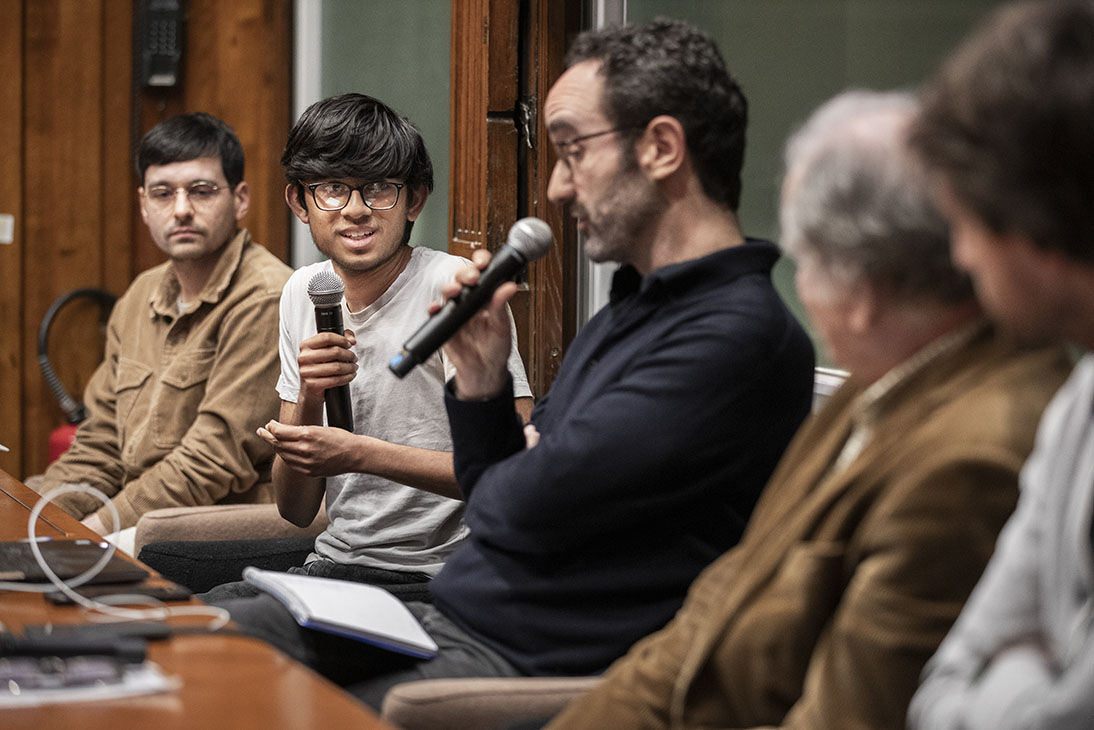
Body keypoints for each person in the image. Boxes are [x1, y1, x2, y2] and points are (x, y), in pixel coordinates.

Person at [216, 17, 815, 708]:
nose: (558, 187)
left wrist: (489, 416)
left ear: (660, 147)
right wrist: (482, 379)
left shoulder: (732, 336)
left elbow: (511, 508)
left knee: (258, 701)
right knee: (201, 637)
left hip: (523, 650)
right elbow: (513, 484)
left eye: (572, 151)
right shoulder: (633, 311)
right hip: (456, 612)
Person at [543, 89, 1075, 730]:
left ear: (859, 287)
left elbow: (847, 716)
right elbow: (717, 604)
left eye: (805, 264)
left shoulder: (970, 457)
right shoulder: (884, 379)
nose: (801, 293)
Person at [196, 92, 532, 601]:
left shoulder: (454, 289)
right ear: (300, 202)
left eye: (379, 189)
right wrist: (309, 395)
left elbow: (515, 474)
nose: (355, 210)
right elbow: (296, 508)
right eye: (333, 189)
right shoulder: (302, 292)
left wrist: (359, 454)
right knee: (182, 604)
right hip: (334, 561)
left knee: (220, 628)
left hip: (434, 578)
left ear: (415, 199)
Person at [906, 2, 1094, 727]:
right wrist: (1034, 665)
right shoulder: (1077, 399)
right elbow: (940, 689)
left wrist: (1019, 671)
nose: (960, 257)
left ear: (1032, 222)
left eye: (965, 224)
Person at [29, 112, 291, 551]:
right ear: (144, 205)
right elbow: (101, 441)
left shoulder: (268, 297)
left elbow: (212, 461)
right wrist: (39, 515)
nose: (182, 209)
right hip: (134, 513)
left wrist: (92, 530)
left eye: (202, 191)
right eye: (163, 194)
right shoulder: (140, 294)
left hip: (215, 528)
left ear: (240, 199)